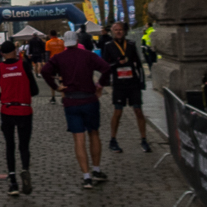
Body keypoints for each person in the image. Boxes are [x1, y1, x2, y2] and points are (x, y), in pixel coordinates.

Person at [41, 30, 113, 189]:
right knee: (94, 133)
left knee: (78, 139)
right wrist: (100, 85)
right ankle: (96, 169)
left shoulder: (59, 58)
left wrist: (56, 87)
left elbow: (45, 71)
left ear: (64, 43)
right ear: (77, 40)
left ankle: (86, 176)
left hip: (71, 101)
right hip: (89, 99)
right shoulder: (88, 55)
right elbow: (106, 68)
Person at [0, 40, 39, 196]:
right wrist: (24, 95)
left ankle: (12, 181)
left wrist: (4, 97)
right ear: (15, 50)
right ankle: (25, 170)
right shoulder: (24, 65)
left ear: (3, 54)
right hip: (24, 109)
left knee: (10, 145)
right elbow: (35, 89)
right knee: (24, 146)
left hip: (7, 109)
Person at [102, 22, 151, 153]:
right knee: (118, 112)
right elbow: (105, 65)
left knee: (138, 111)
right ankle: (113, 139)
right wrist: (117, 63)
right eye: (115, 30)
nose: (118, 32)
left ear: (124, 31)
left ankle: (144, 139)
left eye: (120, 30)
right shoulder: (108, 46)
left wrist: (142, 81)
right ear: (112, 32)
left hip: (133, 82)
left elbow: (138, 64)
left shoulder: (130, 44)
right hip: (119, 84)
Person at [45, 30, 65, 103]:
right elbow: (64, 52)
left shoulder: (48, 43)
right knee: (61, 80)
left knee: (51, 80)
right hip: (61, 63)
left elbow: (47, 54)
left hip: (52, 63)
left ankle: (53, 97)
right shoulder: (61, 42)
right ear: (56, 34)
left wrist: (47, 64)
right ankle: (63, 97)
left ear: (50, 35)